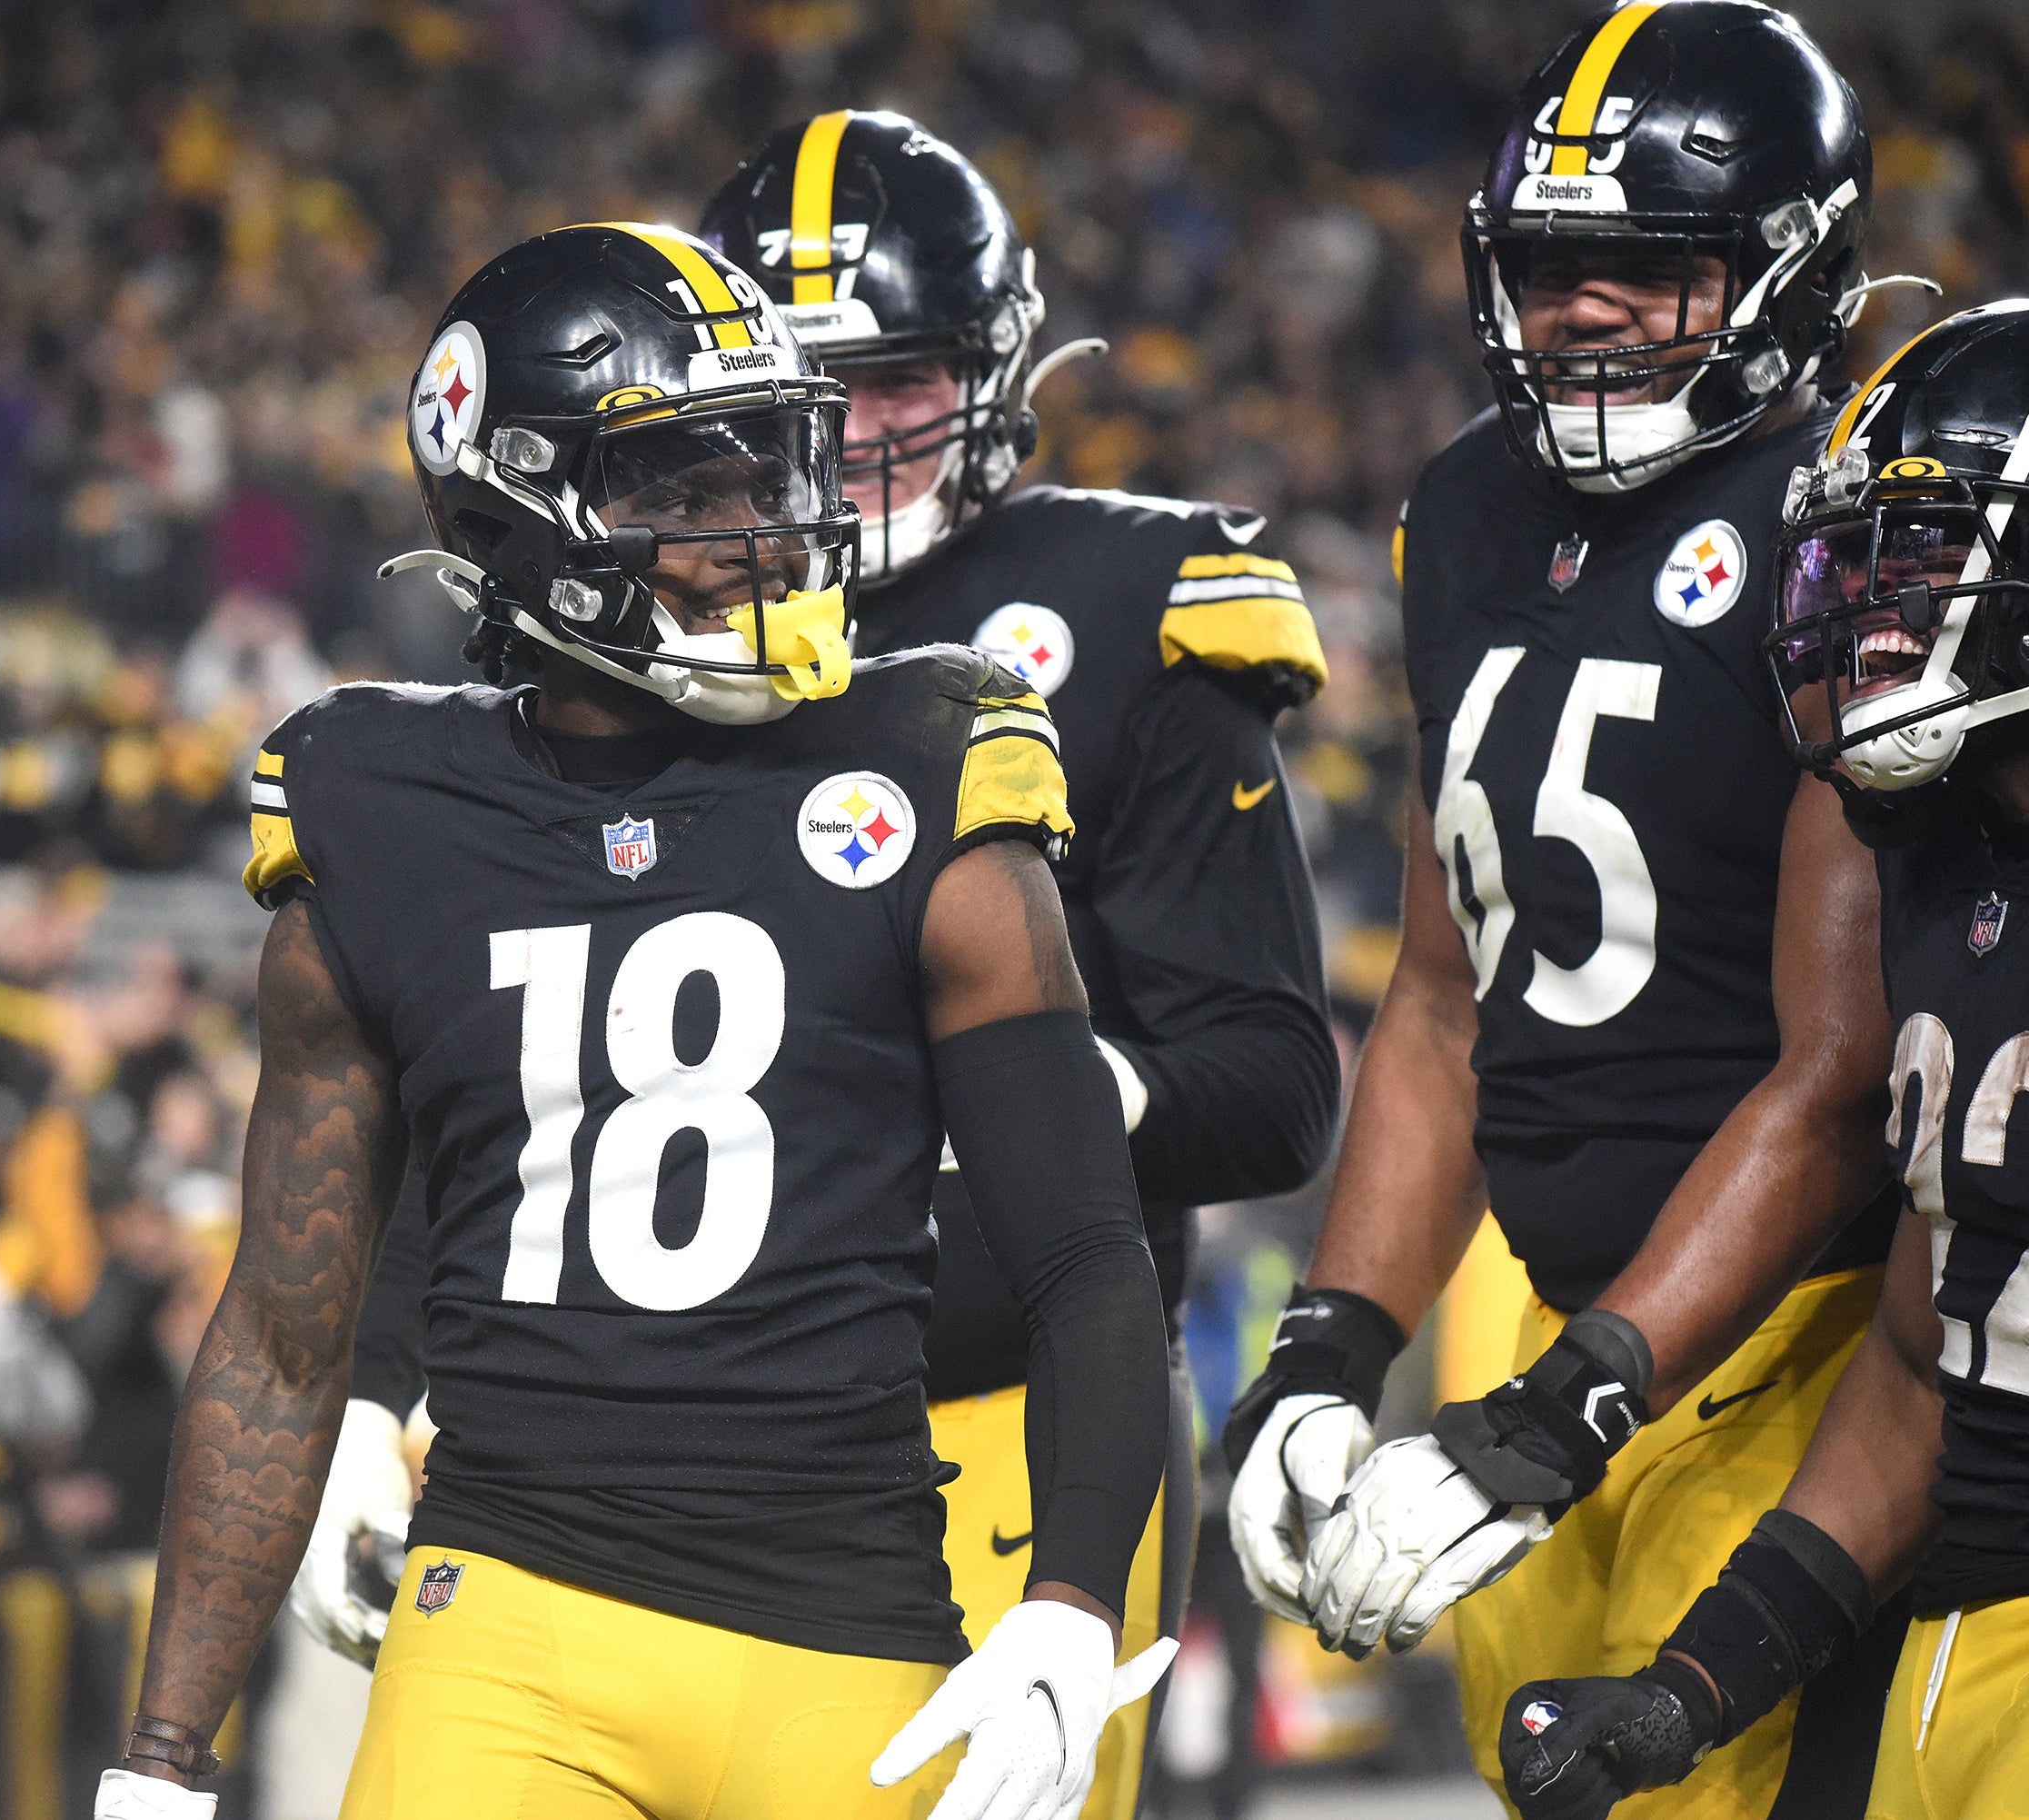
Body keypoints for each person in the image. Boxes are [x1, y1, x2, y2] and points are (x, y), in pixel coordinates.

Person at [296, 118, 1338, 1820]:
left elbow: (1278, 1091)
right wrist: (372, 1387)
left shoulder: (1125, 598)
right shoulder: (618, 641)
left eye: (898, 378)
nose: (848, 441)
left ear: (991, 368)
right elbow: (510, 1068)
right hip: (625, 1482)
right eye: (805, 393)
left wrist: (1014, 1096)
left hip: (1004, 1406)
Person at [96, 223, 1173, 1820]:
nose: (761, 530)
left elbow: (1087, 1253)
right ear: (518, 513)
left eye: (768, 464)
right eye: (684, 486)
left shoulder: (923, 760)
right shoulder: (383, 807)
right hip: (505, 1621)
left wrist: (1071, 1604)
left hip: (849, 1633)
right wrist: (162, 1762)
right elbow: (277, 1325)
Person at [1219, 5, 1916, 1810]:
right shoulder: (1462, 505)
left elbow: (1839, 1075)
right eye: (1549, 265)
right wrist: (1328, 1348)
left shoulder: (1856, 516)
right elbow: (1448, 996)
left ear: (1787, 270)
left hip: (1799, 1348)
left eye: (1651, 266)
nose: (1584, 309)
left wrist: (1577, 1401)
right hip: (1554, 1332)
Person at [1496, 299, 2029, 1817]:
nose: (1875, 608)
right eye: (1860, 563)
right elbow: (1921, 1360)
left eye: (1933, 554)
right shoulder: (1937, 865)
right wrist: (1688, 1690)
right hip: (1956, 1652)